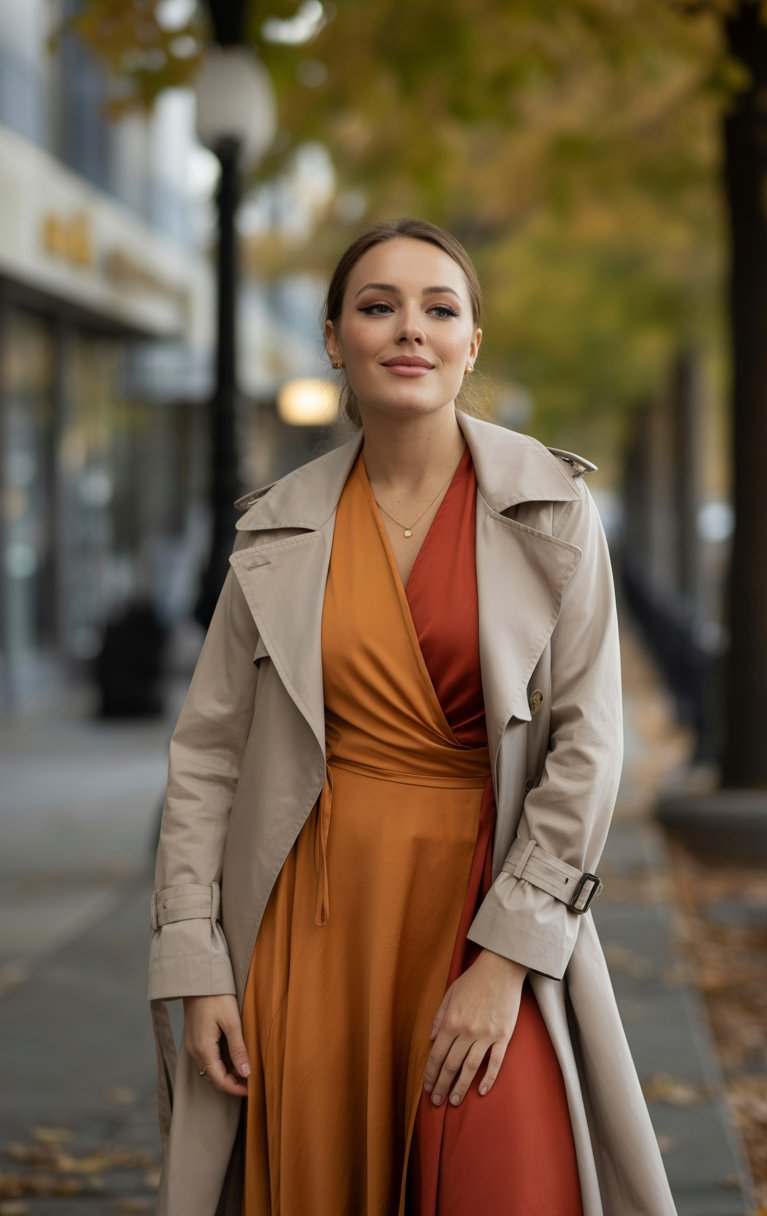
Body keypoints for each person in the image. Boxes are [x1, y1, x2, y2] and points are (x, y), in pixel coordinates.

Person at [148, 217, 678, 1216]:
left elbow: (588, 746)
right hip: (305, 930)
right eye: (377, 305)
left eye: (440, 309)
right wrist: (197, 965)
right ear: (335, 337)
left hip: (488, 909)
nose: (410, 329)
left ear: (471, 343)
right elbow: (207, 756)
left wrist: (507, 958)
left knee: (505, 1177)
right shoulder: (276, 525)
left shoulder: (549, 508)